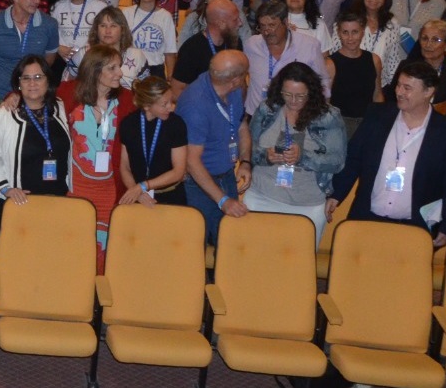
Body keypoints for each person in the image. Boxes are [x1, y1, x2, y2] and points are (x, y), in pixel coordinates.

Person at [331, 61, 446, 247]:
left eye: (407, 88)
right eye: (398, 85)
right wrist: (336, 194)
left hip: (415, 227)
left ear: (428, 92)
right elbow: (354, 158)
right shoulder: (376, 115)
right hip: (367, 218)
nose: (399, 92)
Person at [244, 61, 345, 242]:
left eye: (300, 96)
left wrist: (303, 157)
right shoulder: (267, 110)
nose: (293, 100)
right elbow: (248, 150)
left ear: (311, 93)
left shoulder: (329, 117)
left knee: (299, 266)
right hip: (262, 196)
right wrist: (265, 155)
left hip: (307, 204)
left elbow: (337, 162)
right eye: (287, 94)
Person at [0, 55, 72, 251]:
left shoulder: (60, 108)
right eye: (26, 78)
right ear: (18, 83)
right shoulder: (2, 116)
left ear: (48, 80)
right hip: (17, 203)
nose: (32, 83)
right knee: (14, 266)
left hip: (54, 202)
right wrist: (6, 189)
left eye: (38, 77)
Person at [61, 44, 137, 269]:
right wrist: (12, 97)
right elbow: (33, 92)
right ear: (95, 71)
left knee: (104, 250)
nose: (120, 73)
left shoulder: (128, 101)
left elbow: (162, 99)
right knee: (74, 247)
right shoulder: (67, 94)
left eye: (120, 67)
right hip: (76, 188)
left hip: (109, 190)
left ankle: (98, 298)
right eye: (112, 68)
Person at [174, 49, 251, 245]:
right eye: (245, 74)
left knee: (228, 242)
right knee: (196, 243)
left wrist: (246, 162)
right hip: (198, 183)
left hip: (225, 175)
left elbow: (241, 126)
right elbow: (191, 161)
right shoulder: (196, 105)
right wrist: (223, 200)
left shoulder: (234, 90)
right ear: (235, 80)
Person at [242, 0, 328, 112]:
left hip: (295, 117)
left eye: (272, 25)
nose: (267, 32)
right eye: (262, 26)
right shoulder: (251, 45)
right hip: (256, 116)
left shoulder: (309, 45)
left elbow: (322, 82)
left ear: (286, 22)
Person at [118, 76, 189, 207]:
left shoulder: (176, 124)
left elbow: (178, 171)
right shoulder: (128, 124)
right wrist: (136, 191)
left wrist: (143, 186)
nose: (171, 107)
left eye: (171, 101)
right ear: (146, 106)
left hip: (171, 197)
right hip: (139, 197)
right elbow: (124, 166)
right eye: (164, 104)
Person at [327, 11, 384, 139]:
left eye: (355, 32)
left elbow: (377, 94)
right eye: (345, 32)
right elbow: (325, 102)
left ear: (362, 32)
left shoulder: (374, 60)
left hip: (368, 122)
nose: (350, 38)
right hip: (340, 124)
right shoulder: (330, 64)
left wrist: (379, 119)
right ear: (339, 33)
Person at [172, 0, 243, 94]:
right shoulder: (191, 49)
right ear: (221, 24)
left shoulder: (235, 42)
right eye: (235, 20)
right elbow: (177, 91)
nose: (240, 23)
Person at [51, 0, 108, 80]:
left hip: (90, 61)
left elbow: (107, 35)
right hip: (62, 59)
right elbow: (50, 34)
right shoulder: (57, 6)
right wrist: (57, 47)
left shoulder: (100, 6)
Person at [348, 0, 406, 86]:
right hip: (350, 81)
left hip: (379, 85)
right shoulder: (348, 20)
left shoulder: (392, 24)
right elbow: (336, 52)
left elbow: (393, 61)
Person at [122, 0, 180, 78]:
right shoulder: (126, 13)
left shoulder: (166, 16)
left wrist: (170, 77)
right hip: (130, 68)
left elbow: (170, 52)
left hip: (155, 71)